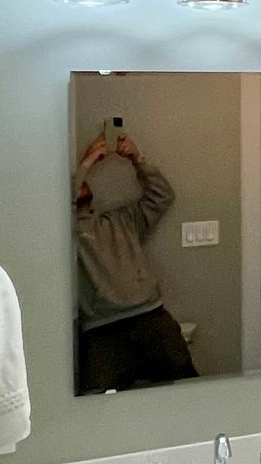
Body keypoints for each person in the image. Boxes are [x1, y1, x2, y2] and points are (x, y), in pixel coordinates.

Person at [72, 130, 198, 392]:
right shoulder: (65, 234)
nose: (81, 183)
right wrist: (85, 164)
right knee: (95, 406)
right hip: (101, 331)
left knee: (188, 391)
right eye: (76, 181)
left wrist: (137, 159)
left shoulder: (121, 220)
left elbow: (163, 195)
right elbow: (53, 208)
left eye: (84, 180)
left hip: (151, 318)